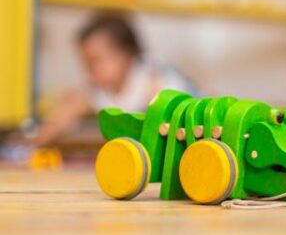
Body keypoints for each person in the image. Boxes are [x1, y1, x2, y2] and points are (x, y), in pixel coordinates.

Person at [31, 13, 196, 147]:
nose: (90, 71)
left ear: (126, 54)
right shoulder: (98, 89)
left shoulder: (151, 75)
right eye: (86, 63)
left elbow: (175, 118)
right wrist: (35, 140)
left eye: (96, 61)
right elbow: (65, 114)